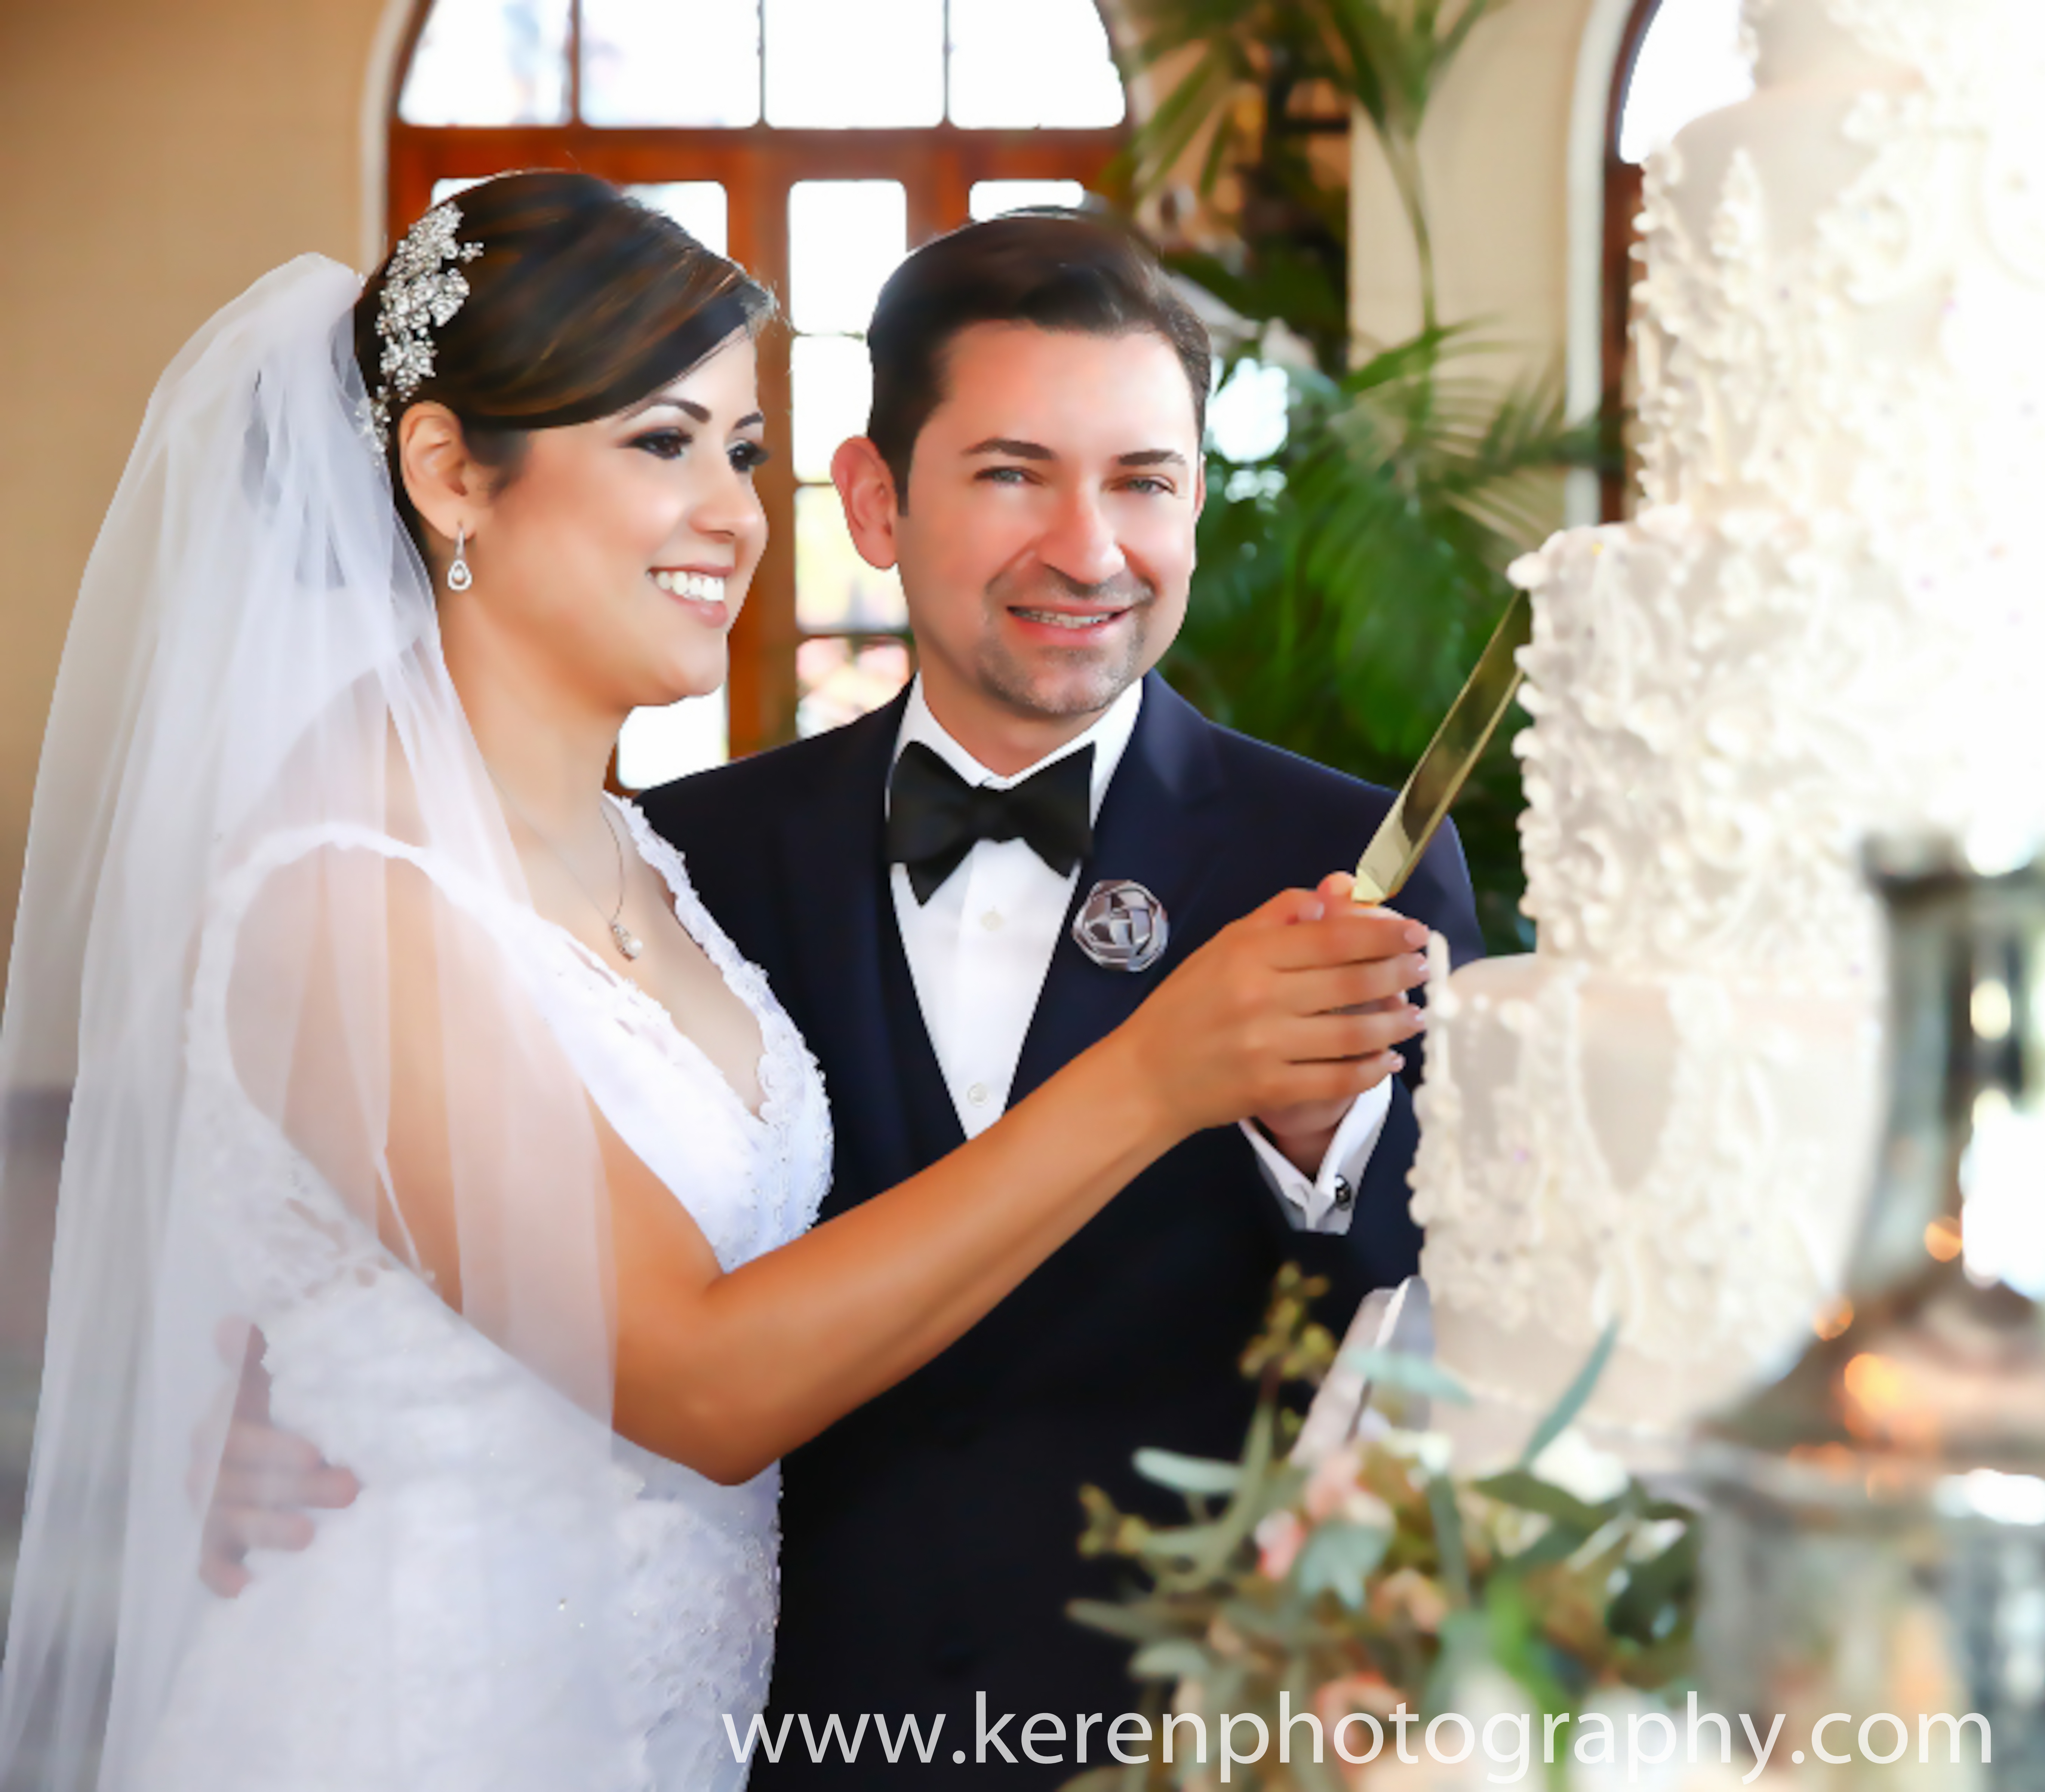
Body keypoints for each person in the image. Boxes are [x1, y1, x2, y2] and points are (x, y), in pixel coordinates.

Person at [0, 173, 1431, 1791]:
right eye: (663, 443)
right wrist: (271, 1404)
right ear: (449, 470)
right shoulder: (378, 876)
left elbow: (1438, 1309)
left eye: (736, 452)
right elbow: (675, 1358)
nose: (732, 515)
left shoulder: (646, 865)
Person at [634, 212, 1486, 1785]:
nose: (1090, 550)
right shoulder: (681, 863)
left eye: (1145, 480)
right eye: (1016, 472)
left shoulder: (1358, 866)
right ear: (878, 502)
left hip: (1208, 1736)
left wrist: (1325, 1140)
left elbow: (1462, 1329)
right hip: (795, 1729)